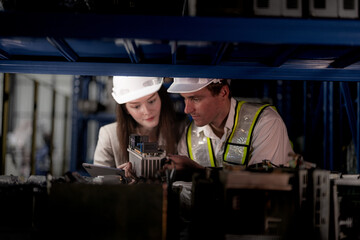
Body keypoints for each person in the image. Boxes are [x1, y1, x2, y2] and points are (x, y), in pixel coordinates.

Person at [165, 77, 294, 177]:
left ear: (223, 92)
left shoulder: (265, 122)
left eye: (195, 99)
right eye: (185, 99)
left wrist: (200, 172)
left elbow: (263, 185)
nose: (187, 109)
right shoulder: (190, 133)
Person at [93, 76, 183, 179]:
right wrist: (119, 180)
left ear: (160, 97)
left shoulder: (181, 129)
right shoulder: (109, 135)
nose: (147, 111)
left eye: (151, 101)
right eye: (136, 106)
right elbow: (99, 185)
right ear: (126, 109)